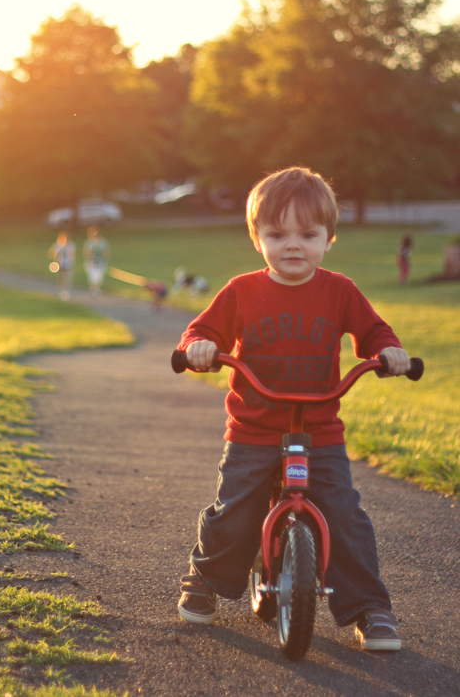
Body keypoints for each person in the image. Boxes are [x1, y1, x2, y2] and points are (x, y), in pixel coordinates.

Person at [176, 166, 410, 653]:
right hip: (254, 429)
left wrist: (389, 353)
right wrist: (198, 347)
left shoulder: (339, 290)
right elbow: (202, 332)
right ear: (257, 238)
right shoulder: (242, 291)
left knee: (344, 515)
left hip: (320, 431)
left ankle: (370, 606)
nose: (293, 245)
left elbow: (375, 333)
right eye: (277, 234)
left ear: (329, 238)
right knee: (235, 509)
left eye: (308, 234)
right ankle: (205, 579)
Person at [83, 226, 110, 297]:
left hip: (101, 262)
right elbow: (86, 252)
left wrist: (105, 260)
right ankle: (93, 289)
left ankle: (97, 289)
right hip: (92, 262)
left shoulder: (103, 242)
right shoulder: (89, 243)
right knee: (92, 276)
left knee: (99, 277)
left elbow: (106, 252)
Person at [48, 232, 76, 300]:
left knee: (67, 279)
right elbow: (51, 254)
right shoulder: (58, 245)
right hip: (60, 266)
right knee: (61, 279)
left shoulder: (71, 245)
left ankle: (67, 293)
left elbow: (73, 255)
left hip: (68, 266)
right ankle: (61, 291)